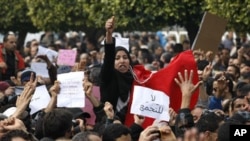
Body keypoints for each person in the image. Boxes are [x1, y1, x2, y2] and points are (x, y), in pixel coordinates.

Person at [99, 16, 134, 123]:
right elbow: (109, 57)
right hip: (110, 123)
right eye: (117, 58)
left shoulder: (136, 78)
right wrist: (109, 34)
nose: (122, 61)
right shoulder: (108, 76)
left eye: (125, 57)